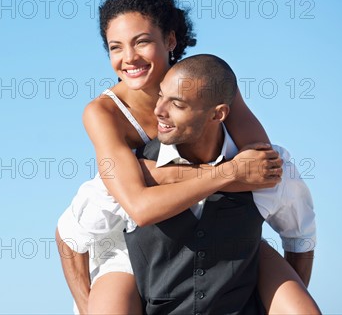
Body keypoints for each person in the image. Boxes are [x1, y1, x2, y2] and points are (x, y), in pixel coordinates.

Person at [55, 0, 319, 314]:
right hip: (138, 235)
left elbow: (260, 168)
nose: (129, 57)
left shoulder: (206, 84)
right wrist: (227, 171)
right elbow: (137, 203)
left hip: (222, 224)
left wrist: (153, 174)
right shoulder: (104, 113)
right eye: (115, 47)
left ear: (170, 39)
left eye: (142, 41)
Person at [124, 54, 316, 313]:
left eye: (177, 104)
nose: (158, 110)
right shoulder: (131, 169)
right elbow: (71, 235)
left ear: (218, 114)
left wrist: (278, 300)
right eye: (160, 95)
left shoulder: (269, 166)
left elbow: (300, 239)